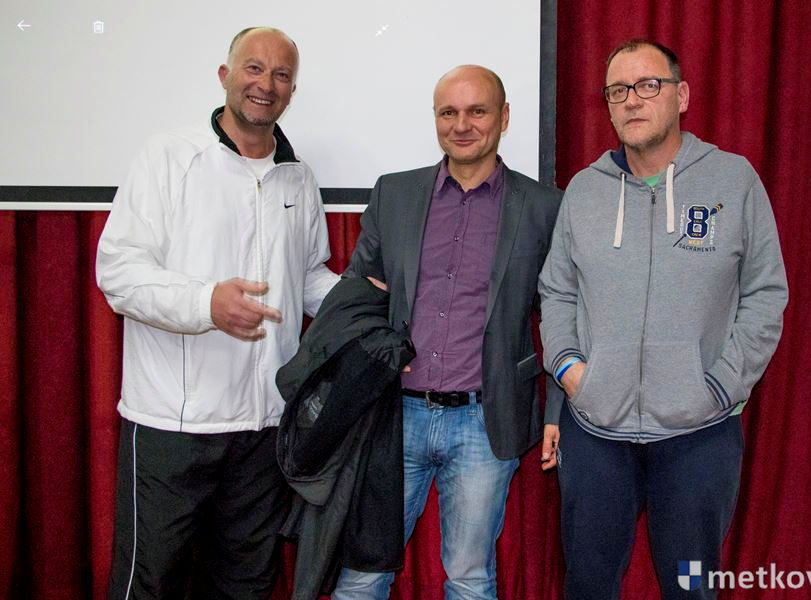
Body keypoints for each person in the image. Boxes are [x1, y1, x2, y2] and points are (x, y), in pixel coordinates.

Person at [538, 39, 788, 599]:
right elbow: (557, 290)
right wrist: (571, 370)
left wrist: (720, 385)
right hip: (597, 432)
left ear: (682, 95)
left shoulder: (733, 181)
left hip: (699, 434)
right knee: (588, 586)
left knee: (691, 588)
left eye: (648, 85)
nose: (632, 100)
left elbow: (766, 293)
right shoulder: (585, 190)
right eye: (618, 90)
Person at [95, 27, 339, 599]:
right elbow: (119, 271)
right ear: (225, 76)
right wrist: (206, 303)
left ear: (292, 91)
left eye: (281, 75)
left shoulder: (298, 176)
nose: (266, 84)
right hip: (173, 425)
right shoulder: (168, 157)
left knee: (246, 586)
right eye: (254, 68)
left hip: (264, 430)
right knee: (149, 585)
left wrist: (367, 304)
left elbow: (307, 278)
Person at [332, 65, 563, 600]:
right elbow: (357, 293)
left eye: (477, 111)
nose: (461, 125)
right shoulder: (394, 193)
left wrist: (556, 410)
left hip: (486, 421)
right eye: (448, 112)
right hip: (395, 416)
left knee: (469, 578)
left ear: (504, 117)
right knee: (362, 577)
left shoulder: (543, 207)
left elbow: (561, 313)